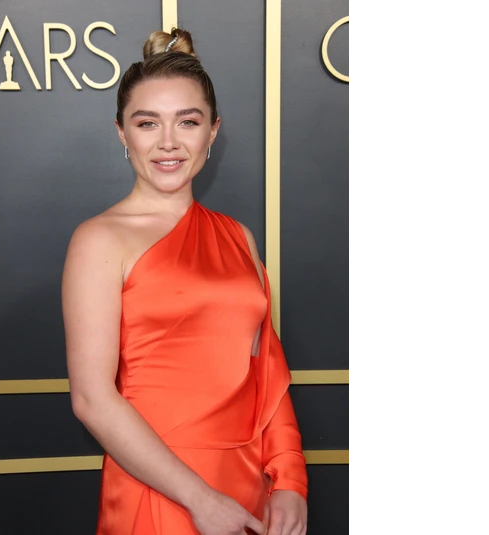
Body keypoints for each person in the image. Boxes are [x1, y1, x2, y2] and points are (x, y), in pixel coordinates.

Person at [61, 27, 308, 535]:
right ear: (121, 132)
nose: (168, 142)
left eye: (188, 122)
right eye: (147, 123)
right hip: (158, 487)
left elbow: (266, 368)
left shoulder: (238, 236)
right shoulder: (98, 240)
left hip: (246, 488)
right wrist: (200, 500)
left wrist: (289, 480)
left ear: (213, 131)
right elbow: (91, 398)